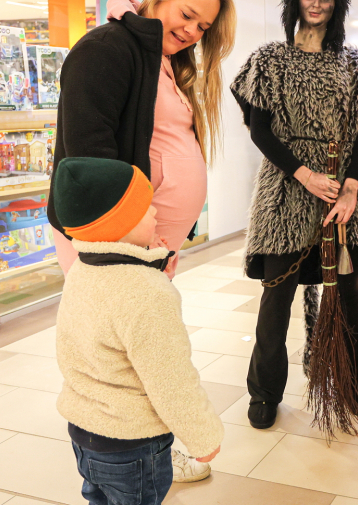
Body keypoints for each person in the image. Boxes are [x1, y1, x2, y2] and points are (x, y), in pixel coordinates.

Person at [231, 0, 358, 431]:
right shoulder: (269, 61)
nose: (316, 3)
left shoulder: (357, 66)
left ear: (337, 3)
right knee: (276, 296)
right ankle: (264, 392)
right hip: (285, 191)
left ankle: (354, 381)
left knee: (347, 293)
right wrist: (303, 174)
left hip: (343, 190)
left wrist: (351, 187)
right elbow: (260, 131)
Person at [49, 0, 236, 281]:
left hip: (144, 240)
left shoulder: (162, 58)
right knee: (111, 314)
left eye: (203, 27)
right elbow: (89, 154)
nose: (192, 31)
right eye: (187, 15)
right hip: (117, 238)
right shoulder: (106, 47)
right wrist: (134, 229)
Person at [53, 157, 224, 504]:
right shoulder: (148, 294)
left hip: (85, 435)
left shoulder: (82, 270)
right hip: (133, 446)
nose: (156, 211)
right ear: (120, 222)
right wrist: (203, 438)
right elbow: (171, 380)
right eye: (145, 207)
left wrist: (150, 264)